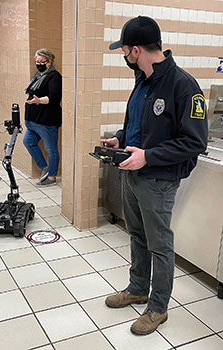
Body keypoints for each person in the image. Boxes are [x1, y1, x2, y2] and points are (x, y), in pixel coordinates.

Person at [101, 16, 208, 335]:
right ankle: (137, 288)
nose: (123, 56)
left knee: (159, 244)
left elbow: (194, 142)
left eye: (123, 50)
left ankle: (158, 307)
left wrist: (148, 156)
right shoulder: (142, 80)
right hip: (132, 174)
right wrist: (121, 138)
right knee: (137, 235)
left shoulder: (182, 85)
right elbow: (140, 125)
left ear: (136, 50)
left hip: (159, 180)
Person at [23, 48, 62, 186]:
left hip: (47, 121)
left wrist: (38, 100)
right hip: (34, 122)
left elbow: (54, 98)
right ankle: (45, 168)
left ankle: (51, 177)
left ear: (49, 62)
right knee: (28, 142)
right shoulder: (38, 76)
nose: (38, 64)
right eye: (36, 61)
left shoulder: (55, 76)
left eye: (41, 62)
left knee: (51, 149)